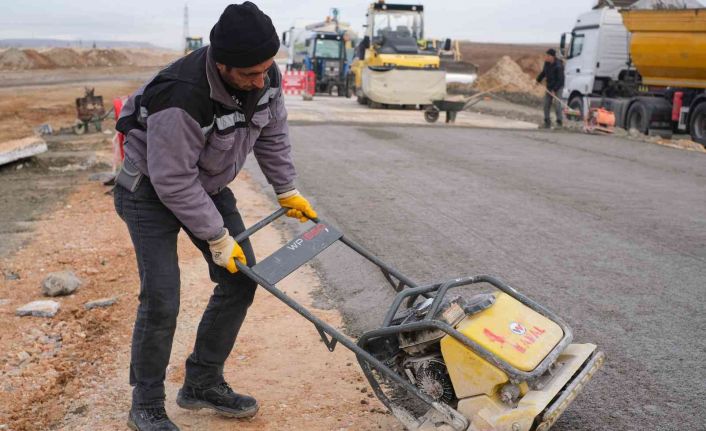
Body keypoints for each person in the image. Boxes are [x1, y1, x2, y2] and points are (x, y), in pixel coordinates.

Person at [113, 3, 317, 430]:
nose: (261, 80)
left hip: (204, 185)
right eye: (249, 74)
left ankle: (202, 383)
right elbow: (172, 182)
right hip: (149, 193)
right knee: (163, 297)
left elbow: (273, 134)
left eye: (266, 70)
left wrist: (287, 190)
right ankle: (146, 403)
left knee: (242, 278)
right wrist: (216, 236)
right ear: (222, 64)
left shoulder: (264, 75)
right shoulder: (181, 95)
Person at [536, 48, 565, 129]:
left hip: (558, 87)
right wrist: (538, 80)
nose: (546, 57)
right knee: (546, 104)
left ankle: (559, 123)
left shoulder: (558, 66)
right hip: (549, 86)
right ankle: (547, 122)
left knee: (557, 104)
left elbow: (560, 80)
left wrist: (554, 90)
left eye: (548, 56)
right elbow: (544, 72)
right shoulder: (547, 63)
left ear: (552, 57)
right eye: (546, 55)